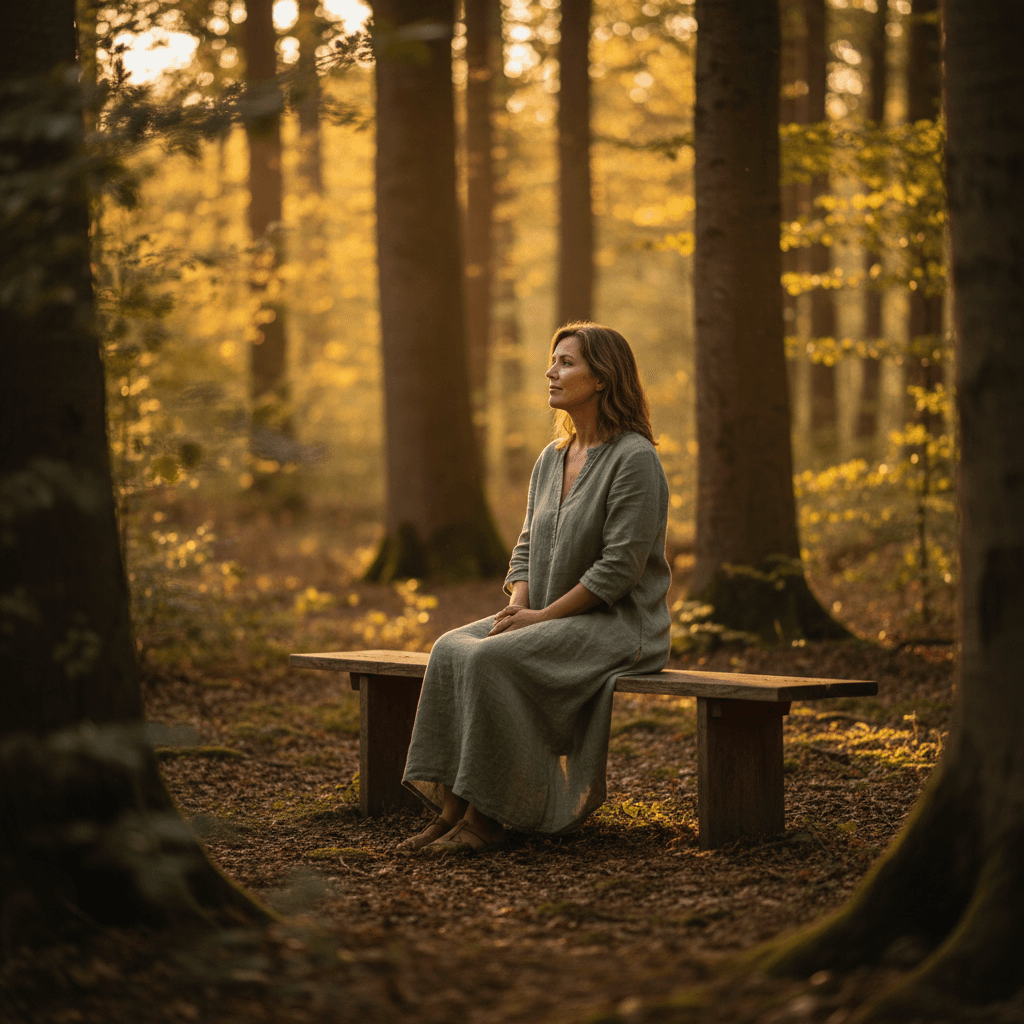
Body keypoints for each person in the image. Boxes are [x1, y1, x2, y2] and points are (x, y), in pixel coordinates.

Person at [396, 322, 672, 854]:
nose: (551, 372)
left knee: (487, 660)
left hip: (618, 627)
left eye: (566, 362)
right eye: (553, 360)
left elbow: (619, 569)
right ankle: (451, 811)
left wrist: (541, 622)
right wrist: (520, 606)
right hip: (543, 613)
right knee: (450, 648)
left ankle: (489, 818)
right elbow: (524, 546)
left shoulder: (634, 458)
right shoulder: (552, 457)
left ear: (602, 379)